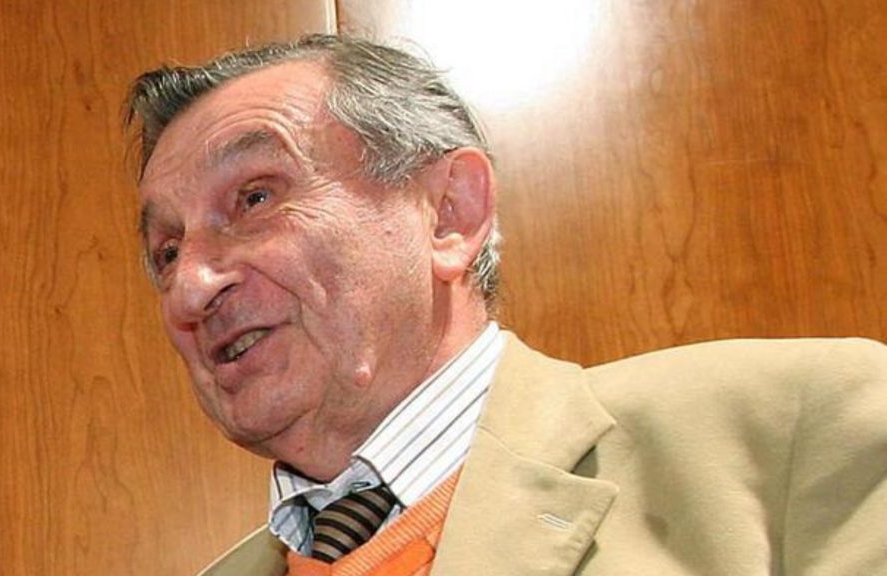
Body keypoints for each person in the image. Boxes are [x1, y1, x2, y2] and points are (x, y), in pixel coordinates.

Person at [125, 34, 887, 576]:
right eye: (166, 252)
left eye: (255, 198)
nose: (191, 287)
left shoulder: (797, 429)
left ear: (449, 214)